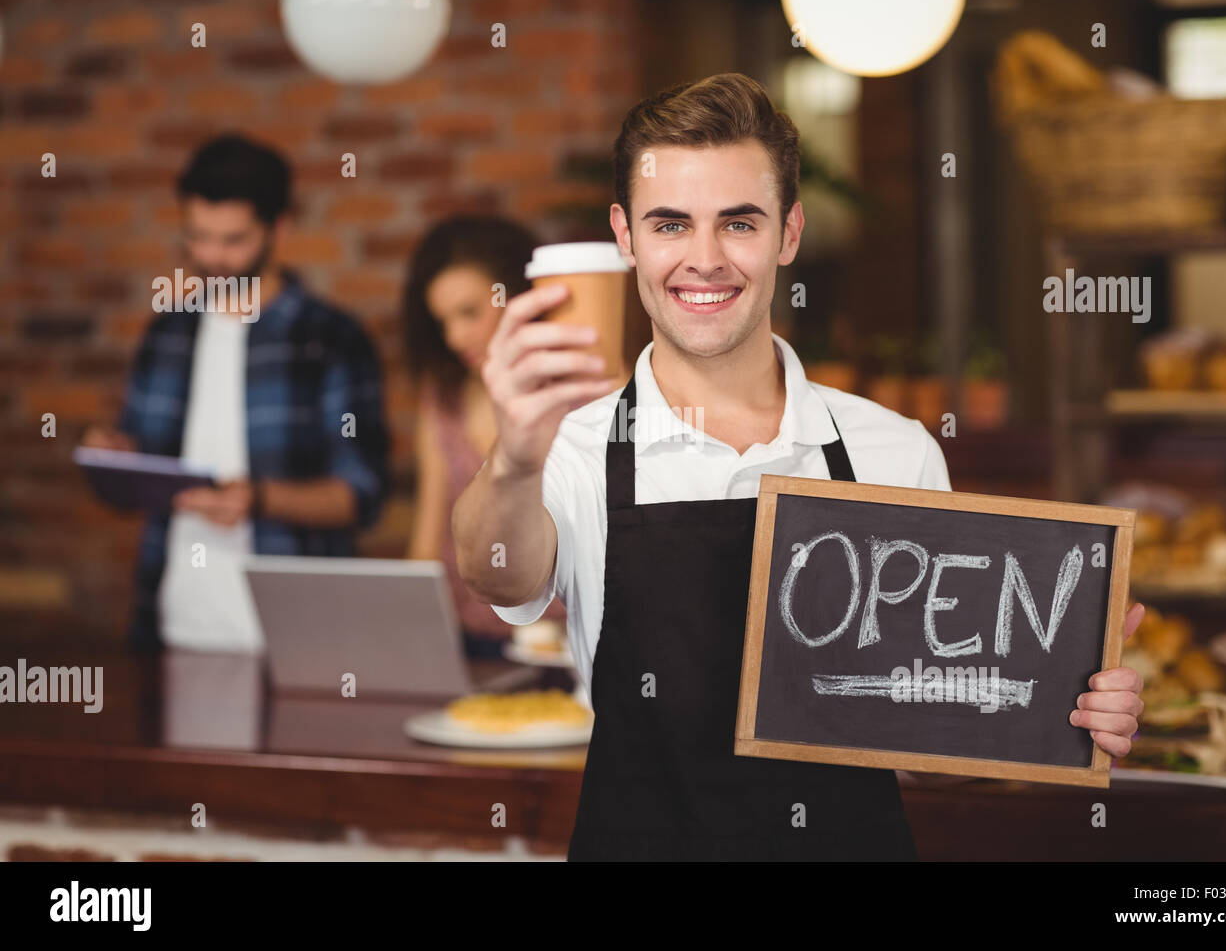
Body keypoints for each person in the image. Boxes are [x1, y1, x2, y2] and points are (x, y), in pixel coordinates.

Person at [452, 72, 1145, 861]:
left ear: (788, 233)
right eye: (671, 224)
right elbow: (495, 573)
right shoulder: (568, 445)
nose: (704, 260)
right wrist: (511, 454)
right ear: (626, 236)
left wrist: (1058, 709)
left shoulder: (894, 450)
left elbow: (932, 761)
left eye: (739, 223)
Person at [83, 133, 390, 653]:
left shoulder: (331, 338)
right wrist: (113, 462)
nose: (213, 257)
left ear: (279, 228)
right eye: (198, 237)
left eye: (234, 240)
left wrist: (260, 500)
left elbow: (362, 494)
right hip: (170, 627)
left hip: (297, 639)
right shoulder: (166, 334)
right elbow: (132, 488)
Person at [401, 216, 565, 658]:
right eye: (443, 322)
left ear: (520, 296)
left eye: (469, 313)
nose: (454, 337)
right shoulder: (444, 395)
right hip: (464, 641)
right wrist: (416, 639)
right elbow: (427, 537)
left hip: (561, 646)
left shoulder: (576, 389)